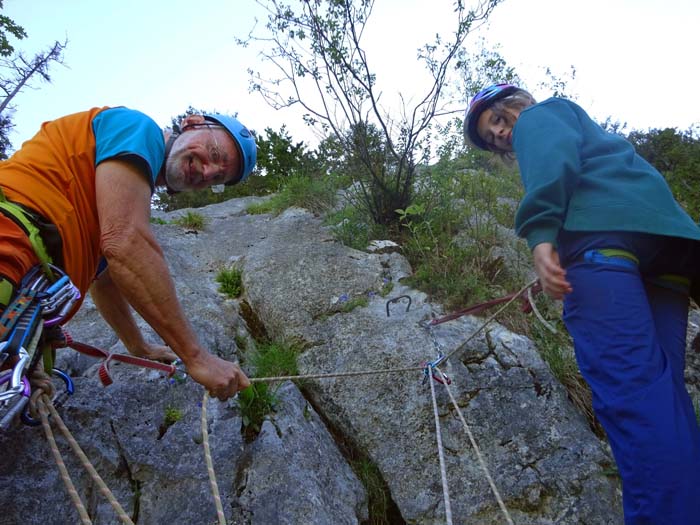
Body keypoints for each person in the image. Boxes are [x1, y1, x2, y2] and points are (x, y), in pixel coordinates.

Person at [464, 84, 700, 524]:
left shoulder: (539, 116)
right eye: (490, 137)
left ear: (513, 105)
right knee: (664, 399)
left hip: (603, 250)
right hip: (666, 261)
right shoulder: (598, 139)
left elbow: (553, 162)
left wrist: (541, 235)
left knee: (633, 399)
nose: (499, 136)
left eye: (495, 122)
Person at [0, 106, 257, 401]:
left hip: (24, 298)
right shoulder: (137, 127)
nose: (208, 172)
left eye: (217, 179)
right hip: (11, 247)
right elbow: (125, 244)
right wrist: (196, 357)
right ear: (192, 123)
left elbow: (106, 280)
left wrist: (138, 346)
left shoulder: (106, 196)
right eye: (215, 154)